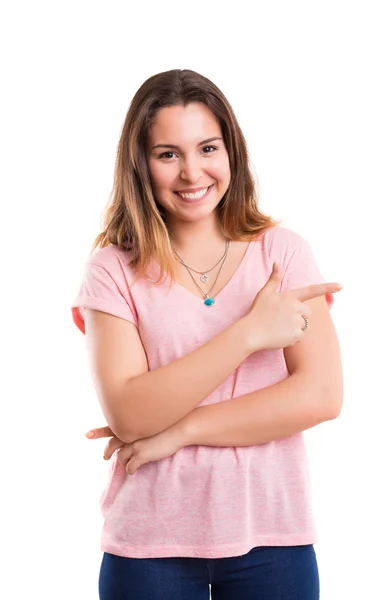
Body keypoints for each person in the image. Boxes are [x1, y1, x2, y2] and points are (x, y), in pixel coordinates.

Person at [71, 68, 343, 600]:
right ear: (141, 165)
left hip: (273, 537)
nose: (192, 171)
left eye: (207, 148)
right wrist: (248, 335)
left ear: (231, 153)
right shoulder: (111, 270)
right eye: (167, 153)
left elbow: (321, 396)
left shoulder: (282, 253)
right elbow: (129, 413)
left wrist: (178, 431)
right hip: (149, 547)